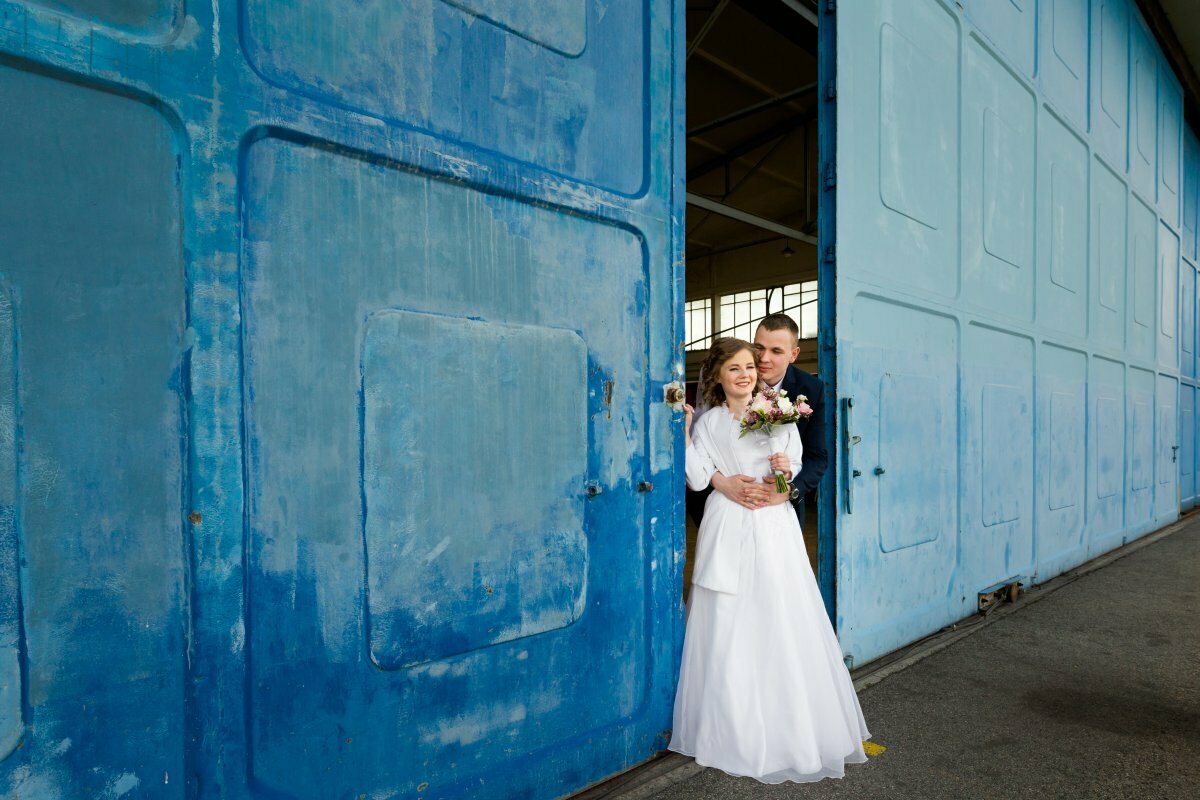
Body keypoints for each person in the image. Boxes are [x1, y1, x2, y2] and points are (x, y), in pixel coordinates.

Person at [670, 336, 869, 783]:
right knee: (727, 615)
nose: (745, 374)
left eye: (749, 367)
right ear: (718, 378)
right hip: (727, 522)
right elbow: (698, 477)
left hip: (772, 524)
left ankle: (786, 722)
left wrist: (782, 470)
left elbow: (793, 467)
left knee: (776, 611)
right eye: (734, 368)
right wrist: (687, 438)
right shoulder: (710, 423)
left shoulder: (776, 415)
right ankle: (729, 726)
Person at [685, 312, 826, 524]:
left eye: (776, 351)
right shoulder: (722, 390)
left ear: (793, 354)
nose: (764, 358)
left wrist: (786, 489)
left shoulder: (810, 391)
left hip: (777, 511)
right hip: (725, 510)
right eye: (759, 348)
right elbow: (702, 453)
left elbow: (813, 457)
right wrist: (722, 484)